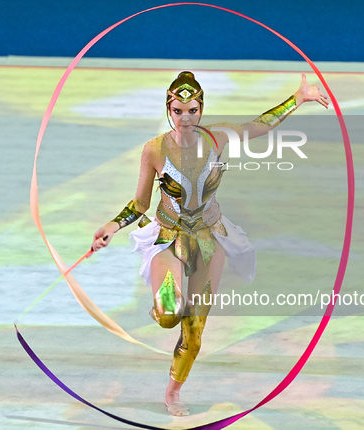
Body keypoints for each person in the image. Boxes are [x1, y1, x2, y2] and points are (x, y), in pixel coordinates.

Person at [91, 71, 328, 416]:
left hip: (208, 237)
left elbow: (259, 126)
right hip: (168, 237)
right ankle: (160, 306)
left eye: (191, 110)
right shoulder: (154, 150)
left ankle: (172, 392)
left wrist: (298, 97)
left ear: (201, 109)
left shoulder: (218, 138)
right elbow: (142, 202)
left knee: (195, 331)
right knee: (170, 314)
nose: (185, 118)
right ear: (168, 110)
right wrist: (113, 226)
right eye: (177, 111)